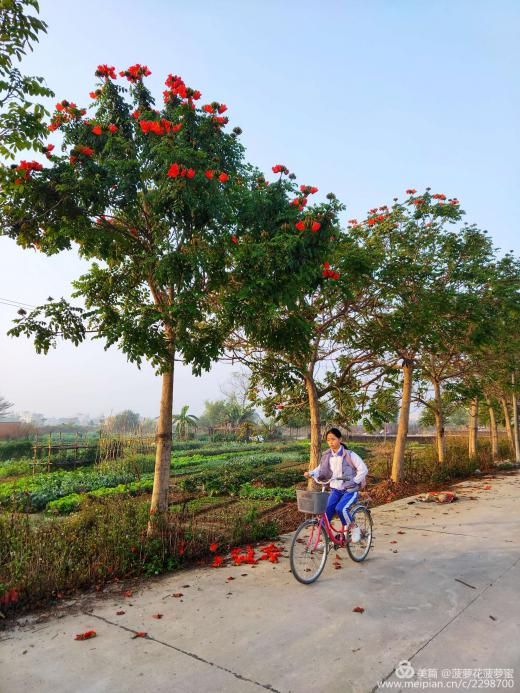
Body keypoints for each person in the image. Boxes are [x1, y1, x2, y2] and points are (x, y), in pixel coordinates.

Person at [304, 427, 368, 540]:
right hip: (335, 489)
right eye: (328, 440)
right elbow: (321, 468)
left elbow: (363, 469)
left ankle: (354, 528)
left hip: (349, 490)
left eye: (333, 439)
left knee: (341, 509)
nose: (330, 442)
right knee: (325, 512)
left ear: (340, 439)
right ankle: (324, 540)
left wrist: (354, 481)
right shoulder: (327, 455)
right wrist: (311, 473)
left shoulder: (350, 454)